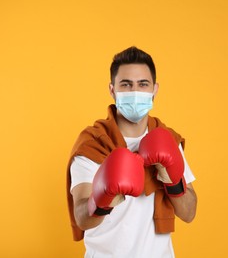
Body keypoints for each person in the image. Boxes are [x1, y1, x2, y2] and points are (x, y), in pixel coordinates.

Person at [66, 46, 197, 257]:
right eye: (126, 85)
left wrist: (172, 181)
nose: (135, 92)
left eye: (143, 84)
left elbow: (189, 213)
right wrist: (102, 199)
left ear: (154, 89)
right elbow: (82, 218)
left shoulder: (168, 139)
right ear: (112, 89)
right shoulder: (93, 144)